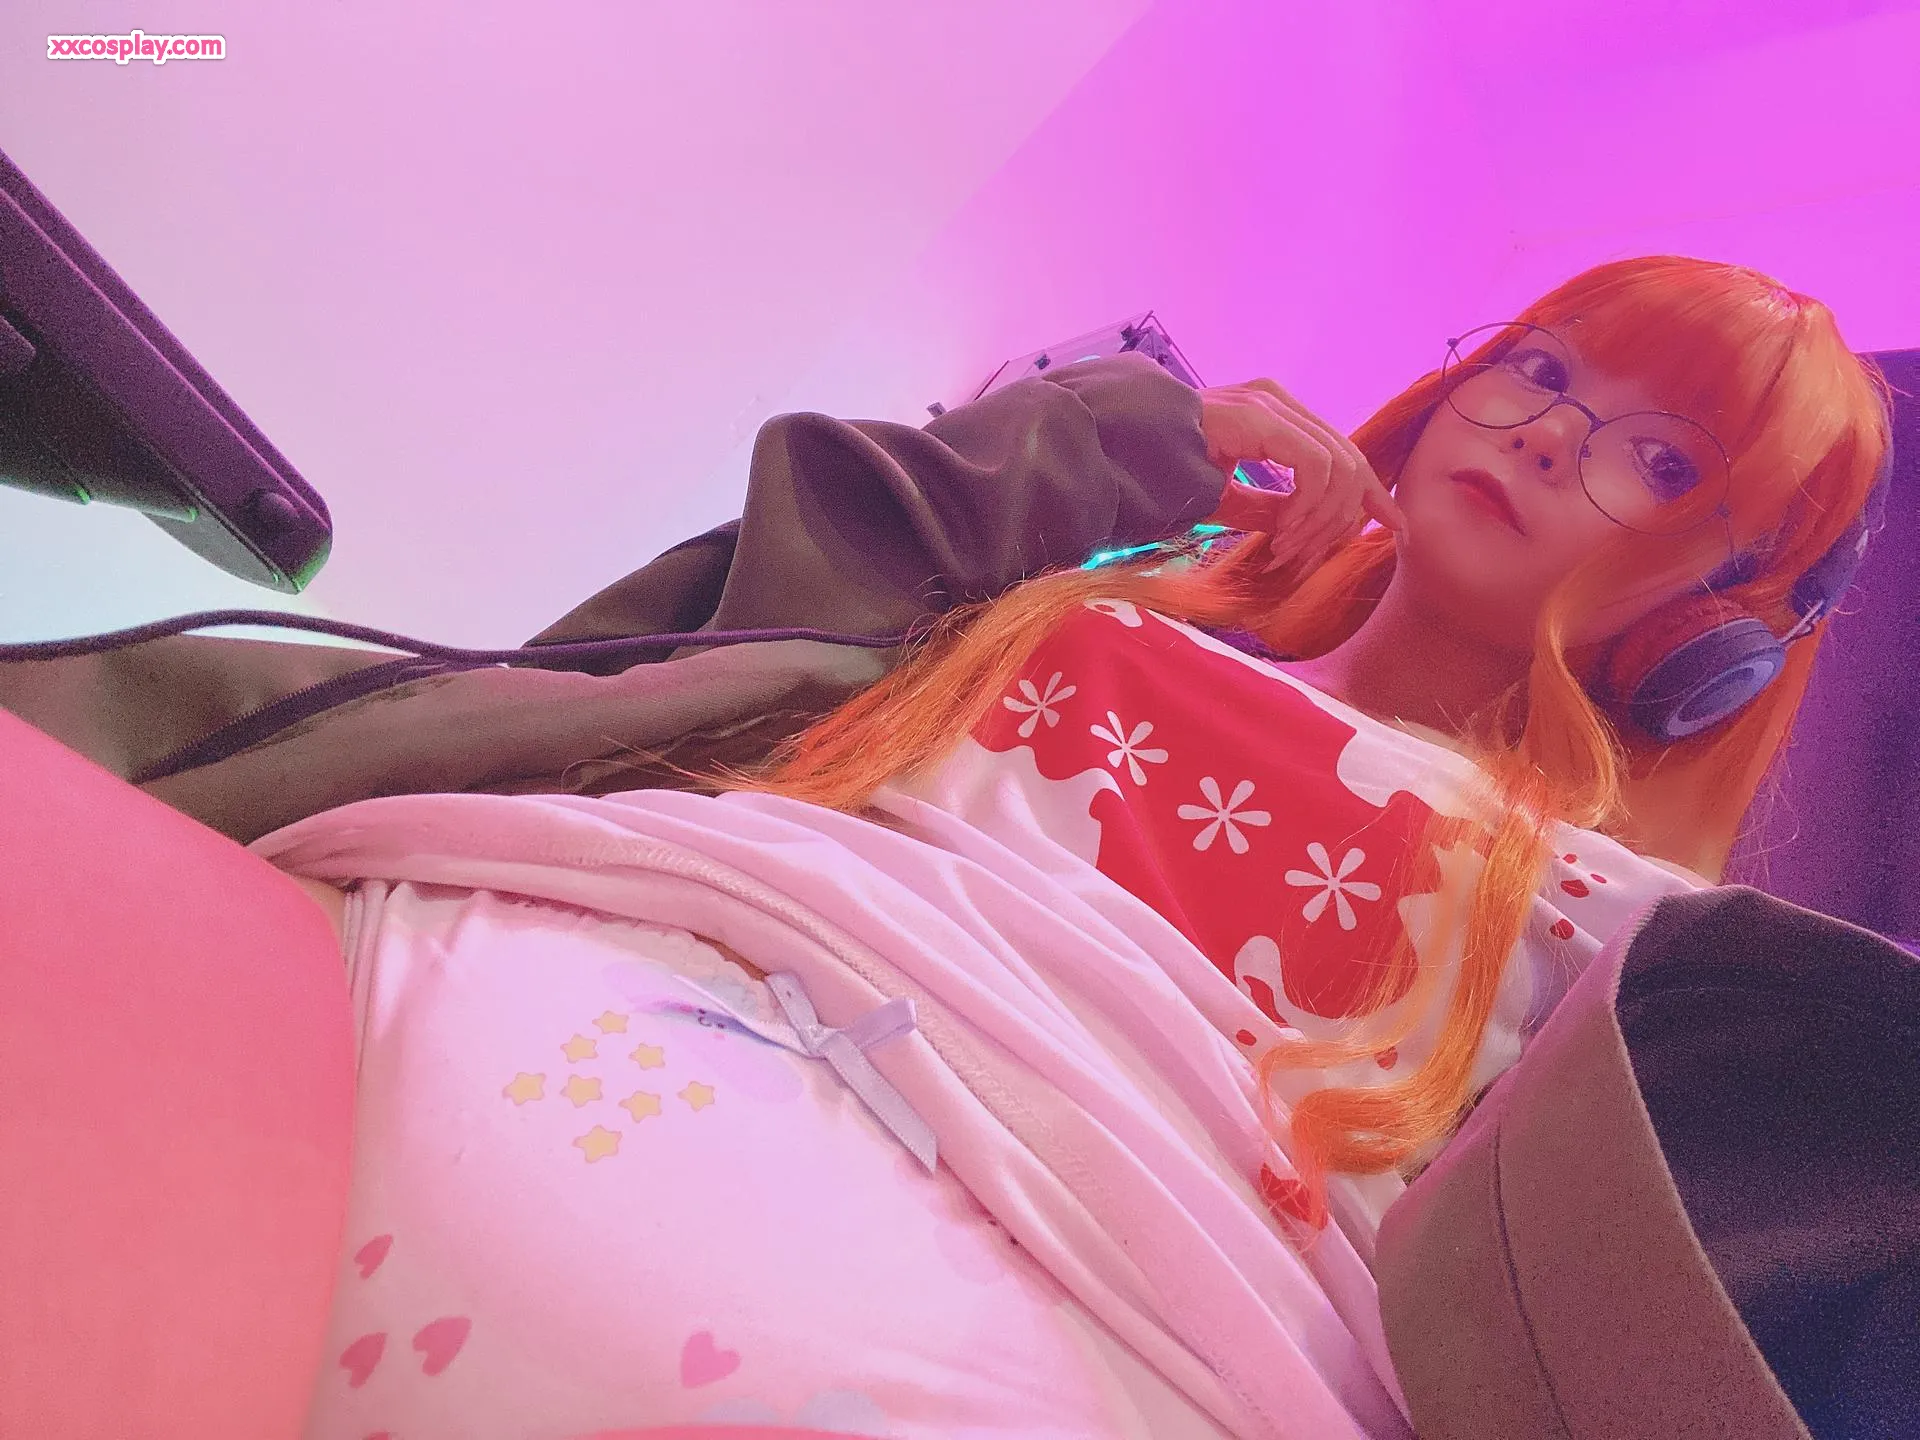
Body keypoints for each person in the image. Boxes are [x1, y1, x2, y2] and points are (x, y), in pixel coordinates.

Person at [270, 255, 1889, 1440]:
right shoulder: (1101, 587)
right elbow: (709, 611)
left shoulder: (1627, 940)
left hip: (1107, 1304)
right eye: (1540, 369)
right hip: (582, 959)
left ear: (1726, 626)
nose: (1547, 434)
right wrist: (1124, 437)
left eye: (1662, 460)